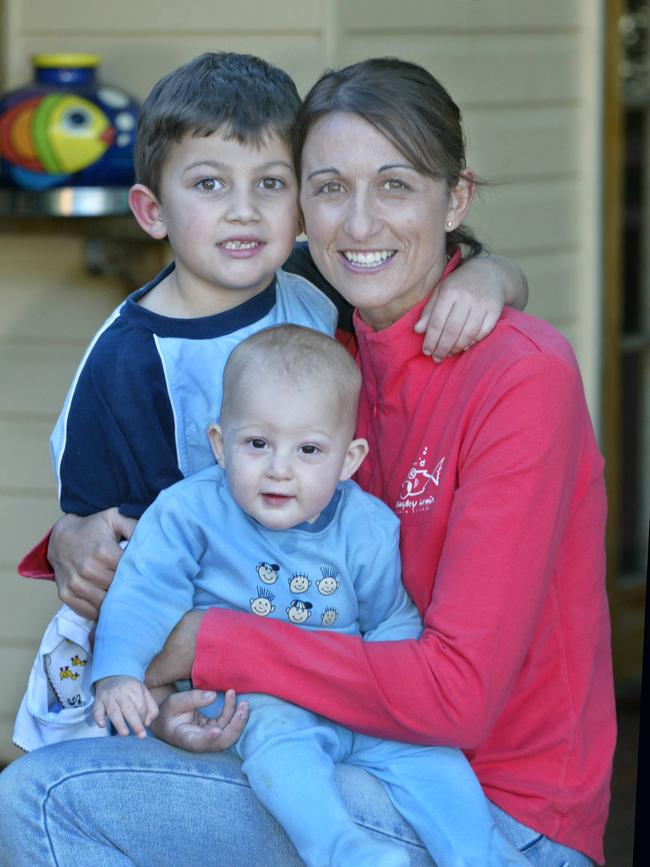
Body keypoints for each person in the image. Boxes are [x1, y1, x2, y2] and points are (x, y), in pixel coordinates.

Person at [0, 56, 547, 867]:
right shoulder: (127, 365)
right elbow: (116, 562)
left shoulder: (316, 289)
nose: (244, 212)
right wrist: (156, 701)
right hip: (170, 674)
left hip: (313, 647)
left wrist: (498, 276)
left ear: (301, 204)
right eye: (210, 185)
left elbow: (439, 271)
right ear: (151, 209)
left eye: (270, 184)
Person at [148, 59, 616, 865]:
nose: (359, 224)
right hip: (340, 748)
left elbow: (456, 698)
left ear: (456, 198)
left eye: (396, 185)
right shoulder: (320, 356)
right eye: (329, 188)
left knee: (43, 794)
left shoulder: (521, 374)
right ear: (301, 208)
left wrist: (209, 641)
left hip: (502, 811)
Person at [91, 324, 528, 867]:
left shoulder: (367, 525)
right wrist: (118, 670)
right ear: (219, 446)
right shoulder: (188, 513)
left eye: (309, 450)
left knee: (435, 762)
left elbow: (390, 617)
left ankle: (483, 856)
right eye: (257, 443)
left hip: (357, 699)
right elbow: (143, 593)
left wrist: (390, 700)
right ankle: (343, 852)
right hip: (262, 701)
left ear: (348, 460)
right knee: (280, 753)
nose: (279, 468)